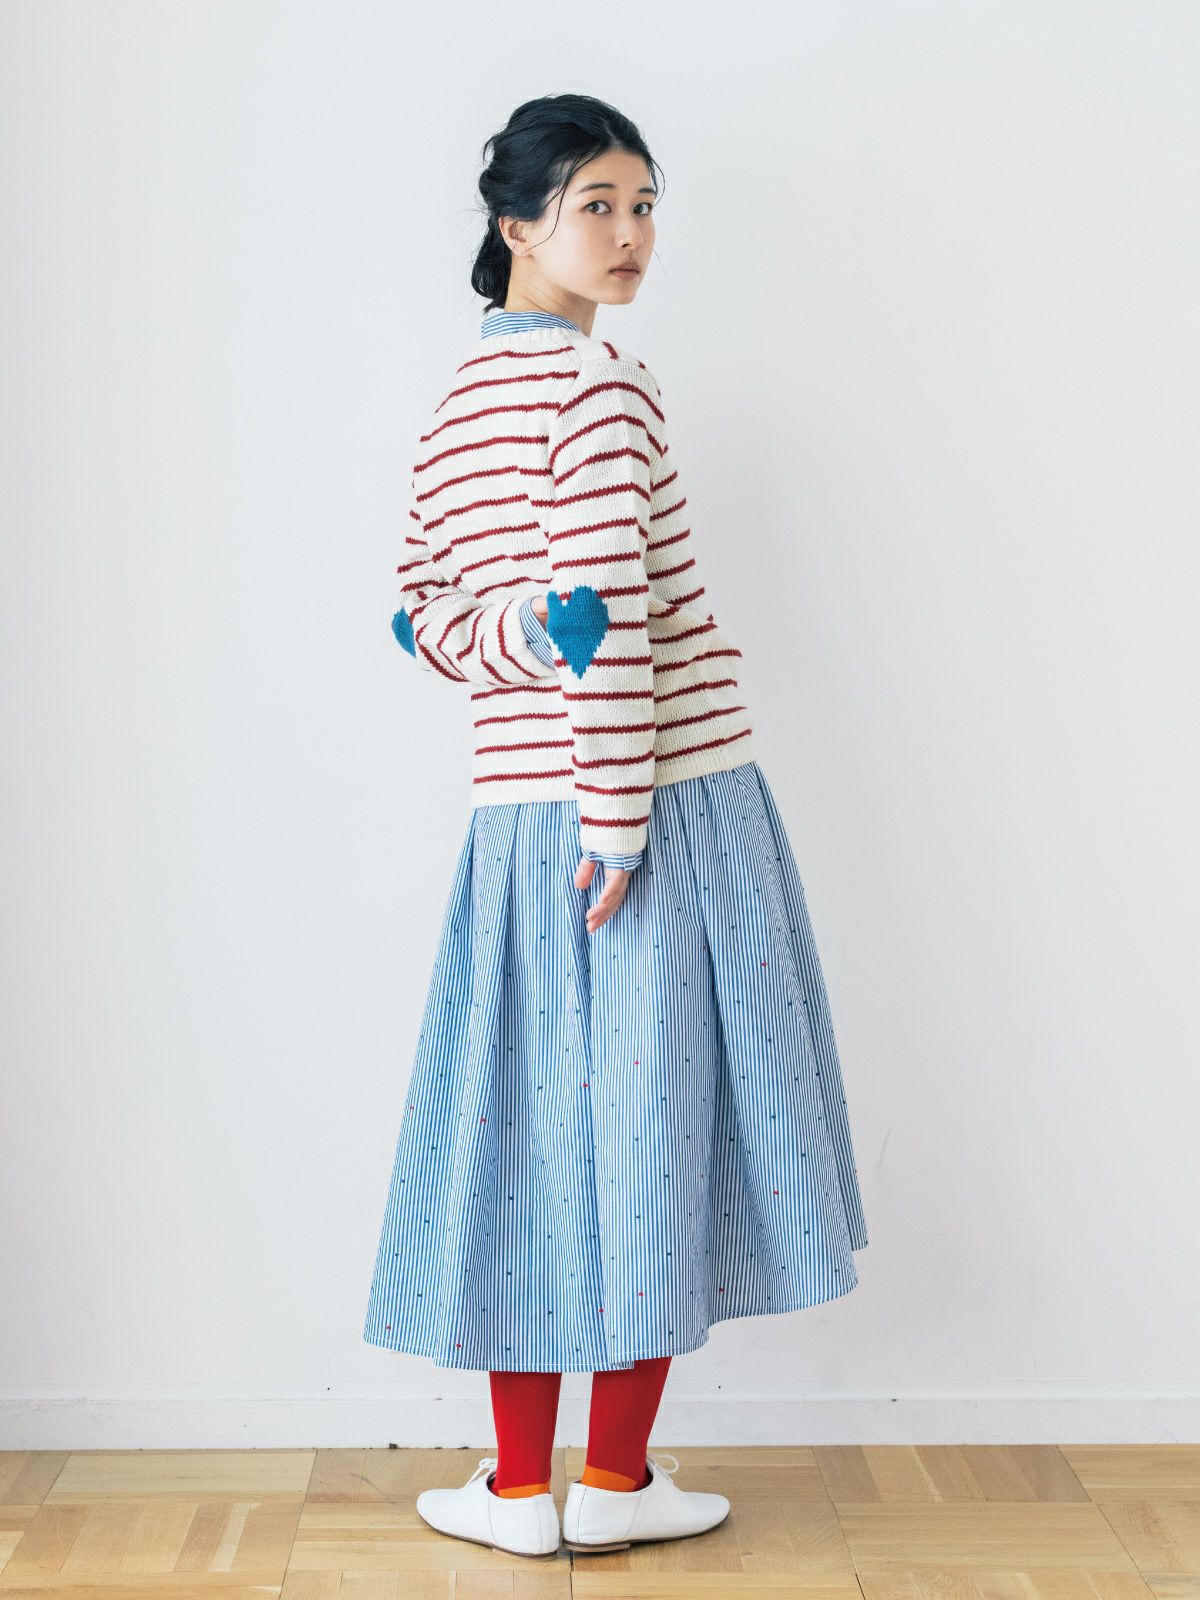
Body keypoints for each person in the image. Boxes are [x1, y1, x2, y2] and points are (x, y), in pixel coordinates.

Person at [362, 92, 870, 1560]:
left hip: (514, 827)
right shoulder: (604, 389)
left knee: (524, 1133)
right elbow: (611, 631)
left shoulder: (455, 402)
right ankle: (615, 1481)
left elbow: (424, 620)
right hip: (645, 807)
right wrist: (620, 820)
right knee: (656, 1129)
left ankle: (523, 1490)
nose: (632, 233)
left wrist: (517, 632)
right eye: (598, 204)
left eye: (645, 205)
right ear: (516, 224)